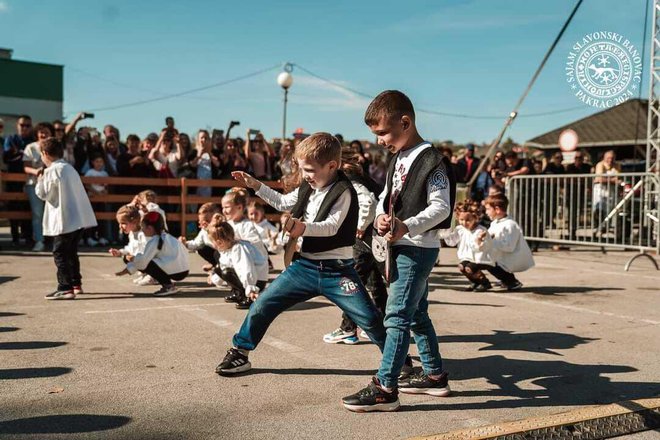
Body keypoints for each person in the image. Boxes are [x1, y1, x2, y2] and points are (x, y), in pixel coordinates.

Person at [217, 133, 387, 382]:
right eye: (302, 168)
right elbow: (283, 201)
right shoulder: (308, 186)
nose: (305, 174)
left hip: (337, 270)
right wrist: (255, 185)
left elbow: (332, 226)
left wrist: (302, 228)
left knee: (370, 318)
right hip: (304, 266)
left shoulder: (344, 192)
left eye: (309, 169)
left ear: (331, 166)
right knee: (263, 304)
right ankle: (240, 351)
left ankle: (398, 362)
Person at [341, 90, 456, 412]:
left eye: (382, 132)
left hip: (417, 248)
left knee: (397, 316)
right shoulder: (398, 158)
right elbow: (385, 196)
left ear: (405, 122)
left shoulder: (432, 160)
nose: (379, 141)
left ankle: (385, 387)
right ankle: (434, 377)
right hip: (400, 246)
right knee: (416, 314)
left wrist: (407, 225)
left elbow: (441, 208)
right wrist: (380, 215)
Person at [323, 146, 387, 345]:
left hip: (364, 238)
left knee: (351, 284)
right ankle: (381, 324)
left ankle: (348, 328)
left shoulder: (351, 179)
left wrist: (359, 226)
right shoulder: (361, 177)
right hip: (374, 239)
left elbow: (367, 202)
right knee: (374, 283)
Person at [35, 137, 97, 299]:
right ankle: (76, 284)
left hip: (64, 220)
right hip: (78, 219)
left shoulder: (51, 171)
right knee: (71, 252)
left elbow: (44, 194)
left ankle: (65, 286)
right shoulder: (69, 168)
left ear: (45, 154)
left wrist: (40, 180)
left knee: (60, 253)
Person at [118, 211, 189, 296]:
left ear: (150, 228)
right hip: (184, 270)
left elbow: (143, 262)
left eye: (143, 227)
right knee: (148, 261)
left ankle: (168, 286)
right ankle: (166, 284)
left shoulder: (155, 240)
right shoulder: (167, 236)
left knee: (147, 262)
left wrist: (130, 265)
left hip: (176, 272)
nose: (142, 229)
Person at [207, 216, 269, 310]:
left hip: (256, 281)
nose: (213, 245)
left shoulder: (238, 248)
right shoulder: (228, 247)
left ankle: (249, 297)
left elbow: (246, 269)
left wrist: (251, 288)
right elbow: (224, 264)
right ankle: (239, 294)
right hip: (252, 279)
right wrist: (214, 278)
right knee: (219, 268)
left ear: (219, 242)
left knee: (227, 272)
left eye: (213, 242)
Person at [483, 194, 534, 290]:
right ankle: (504, 279)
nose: (486, 212)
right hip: (501, 256)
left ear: (497, 209)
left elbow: (509, 247)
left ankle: (511, 281)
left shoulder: (510, 225)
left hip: (512, 258)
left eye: (488, 209)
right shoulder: (495, 222)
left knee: (487, 262)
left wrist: (490, 242)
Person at [441, 200, 495, 291]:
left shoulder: (480, 231)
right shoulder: (460, 229)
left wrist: (479, 241)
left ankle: (485, 282)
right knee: (462, 267)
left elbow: (483, 248)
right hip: (467, 257)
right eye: (461, 220)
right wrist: (446, 234)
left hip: (481, 258)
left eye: (468, 220)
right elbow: (452, 242)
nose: (464, 223)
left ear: (475, 218)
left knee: (469, 268)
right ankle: (475, 281)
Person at [4, 115, 36, 246]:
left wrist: (18, 153)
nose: (25, 128)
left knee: (29, 208)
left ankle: (28, 237)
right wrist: (20, 155)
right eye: (22, 125)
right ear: (17, 125)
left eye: (28, 125)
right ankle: (15, 237)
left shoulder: (34, 140)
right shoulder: (10, 139)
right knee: (13, 206)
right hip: (13, 177)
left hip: (30, 178)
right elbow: (7, 157)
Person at [22, 122, 53, 251]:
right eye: (41, 132)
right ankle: (39, 241)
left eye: (46, 132)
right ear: (37, 134)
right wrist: (37, 172)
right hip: (34, 184)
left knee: (53, 213)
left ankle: (53, 242)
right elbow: (26, 167)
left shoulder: (55, 147)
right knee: (37, 214)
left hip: (52, 185)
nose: (43, 134)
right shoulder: (30, 147)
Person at [109, 205, 148, 284]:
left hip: (157, 262)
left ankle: (153, 276)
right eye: (119, 223)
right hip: (144, 260)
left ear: (134, 222)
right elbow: (130, 248)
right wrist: (120, 252)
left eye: (123, 223)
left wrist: (127, 270)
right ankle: (146, 274)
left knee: (133, 258)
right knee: (126, 258)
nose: (120, 226)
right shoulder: (132, 233)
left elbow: (148, 255)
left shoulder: (144, 234)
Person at [180, 203, 223, 272]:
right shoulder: (204, 231)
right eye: (202, 222)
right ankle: (215, 264)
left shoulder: (224, 228)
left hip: (226, 255)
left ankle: (219, 268)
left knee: (217, 253)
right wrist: (185, 244)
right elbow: (197, 243)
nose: (205, 224)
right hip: (216, 254)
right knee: (202, 249)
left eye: (208, 221)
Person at [83, 154, 111, 247]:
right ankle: (90, 238)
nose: (99, 164)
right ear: (93, 163)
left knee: (101, 218)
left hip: (102, 199)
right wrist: (96, 192)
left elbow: (106, 186)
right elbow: (87, 185)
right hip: (92, 198)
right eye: (97, 161)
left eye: (101, 162)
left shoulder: (104, 173)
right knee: (91, 218)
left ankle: (101, 237)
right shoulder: (90, 172)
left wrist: (103, 192)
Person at [565, 151, 592, 241]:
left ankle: (574, 230)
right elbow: (569, 179)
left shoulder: (587, 167)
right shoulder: (570, 167)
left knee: (578, 213)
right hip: (571, 194)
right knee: (571, 213)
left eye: (580, 158)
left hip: (581, 194)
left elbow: (588, 178)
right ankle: (571, 231)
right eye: (576, 158)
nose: (578, 160)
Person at [592, 150, 621, 232]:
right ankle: (597, 226)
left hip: (611, 191)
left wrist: (609, 180)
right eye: (608, 158)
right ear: (604, 158)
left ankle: (605, 227)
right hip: (600, 190)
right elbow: (599, 179)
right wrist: (612, 180)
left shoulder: (617, 165)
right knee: (599, 209)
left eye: (612, 158)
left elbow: (618, 178)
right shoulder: (600, 165)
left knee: (610, 210)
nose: (610, 160)